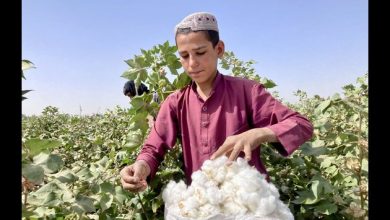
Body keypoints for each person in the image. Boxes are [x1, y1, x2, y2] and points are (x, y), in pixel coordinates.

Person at [120, 12, 313, 192]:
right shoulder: (175, 103)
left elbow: (302, 125)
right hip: (204, 205)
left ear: (219, 49)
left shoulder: (248, 91)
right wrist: (141, 167)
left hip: (251, 204)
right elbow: (153, 148)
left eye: (201, 53)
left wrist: (259, 134)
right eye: (185, 56)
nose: (192, 63)